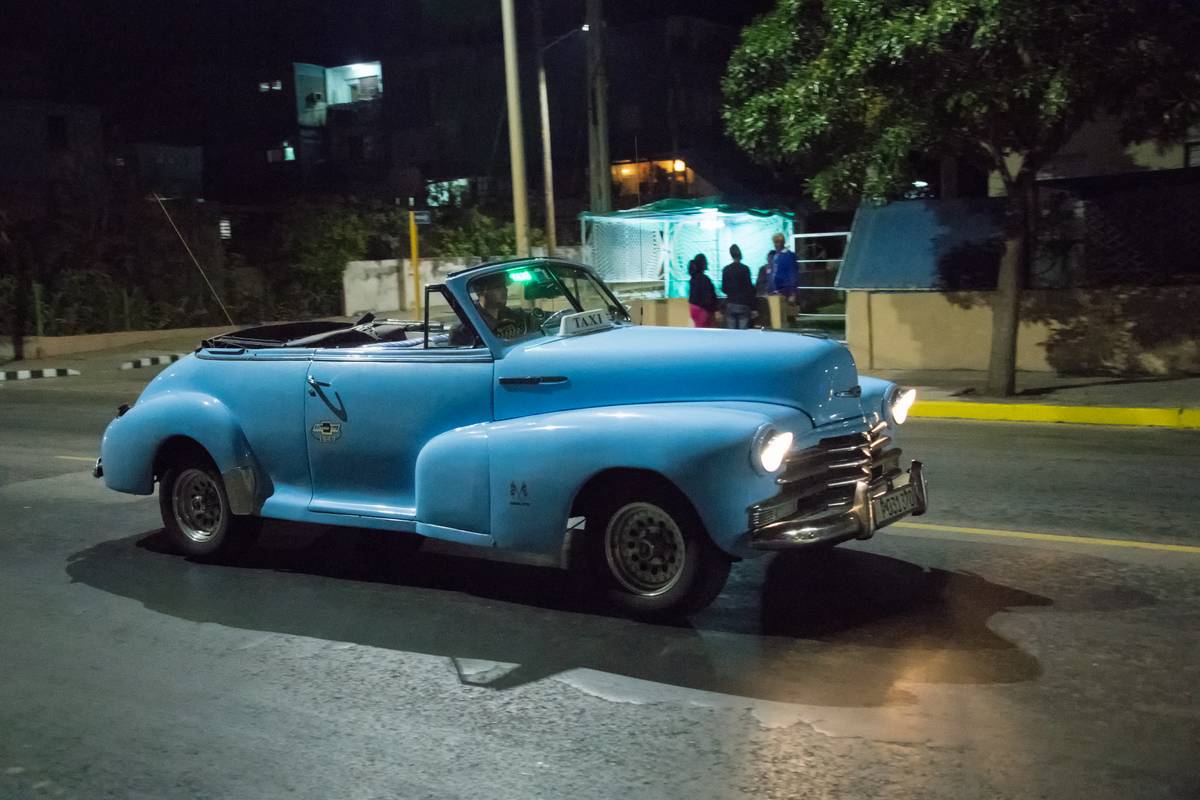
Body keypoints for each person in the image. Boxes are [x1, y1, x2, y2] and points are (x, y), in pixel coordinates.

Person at [720, 244, 755, 329]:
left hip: (731, 303)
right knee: (743, 334)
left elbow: (724, 289)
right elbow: (750, 289)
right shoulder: (745, 269)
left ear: (731, 255)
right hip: (743, 304)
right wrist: (754, 307)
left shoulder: (726, 269)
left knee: (732, 334)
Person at [686, 254, 718, 328]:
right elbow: (707, 297)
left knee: (698, 328)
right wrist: (713, 308)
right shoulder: (704, 279)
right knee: (703, 331)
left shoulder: (693, 278)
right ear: (703, 264)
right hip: (702, 309)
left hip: (693, 307)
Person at [769, 232, 798, 300]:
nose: (776, 244)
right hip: (774, 291)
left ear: (783, 242)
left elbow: (792, 273)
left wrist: (792, 293)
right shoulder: (773, 256)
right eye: (775, 242)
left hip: (785, 291)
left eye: (778, 242)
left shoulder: (789, 255)